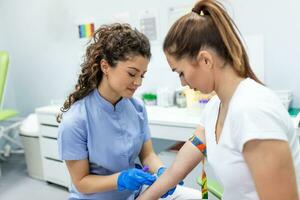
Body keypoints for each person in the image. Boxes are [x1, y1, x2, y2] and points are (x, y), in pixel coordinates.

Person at [137, 0, 300, 200]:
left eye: (181, 72)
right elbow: (175, 172)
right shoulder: (216, 107)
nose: (182, 83)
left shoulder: (253, 111)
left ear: (206, 60)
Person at [57, 23, 201, 200]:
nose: (139, 82)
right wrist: (121, 179)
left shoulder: (137, 108)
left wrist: (162, 172)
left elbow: (147, 155)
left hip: (135, 194)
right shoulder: (76, 120)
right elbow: (81, 182)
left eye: (142, 75)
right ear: (105, 66)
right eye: (132, 74)